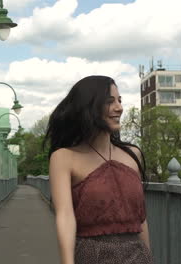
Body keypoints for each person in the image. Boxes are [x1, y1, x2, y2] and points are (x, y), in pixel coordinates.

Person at [44, 75, 153, 264]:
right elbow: (65, 217)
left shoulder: (133, 154)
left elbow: (141, 219)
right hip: (91, 256)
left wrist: (149, 258)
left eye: (119, 100)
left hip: (137, 256)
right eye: (110, 102)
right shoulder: (63, 157)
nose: (119, 107)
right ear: (89, 107)